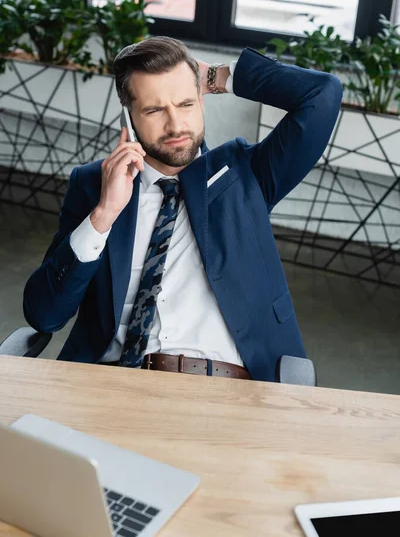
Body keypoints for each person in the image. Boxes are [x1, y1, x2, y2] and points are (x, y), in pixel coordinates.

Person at [23, 36, 342, 382]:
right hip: (110, 387)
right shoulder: (93, 184)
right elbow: (44, 315)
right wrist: (103, 216)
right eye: (155, 110)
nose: (176, 125)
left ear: (202, 103)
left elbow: (322, 95)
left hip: (223, 392)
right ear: (128, 119)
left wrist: (219, 77)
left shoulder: (245, 173)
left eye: (186, 104)